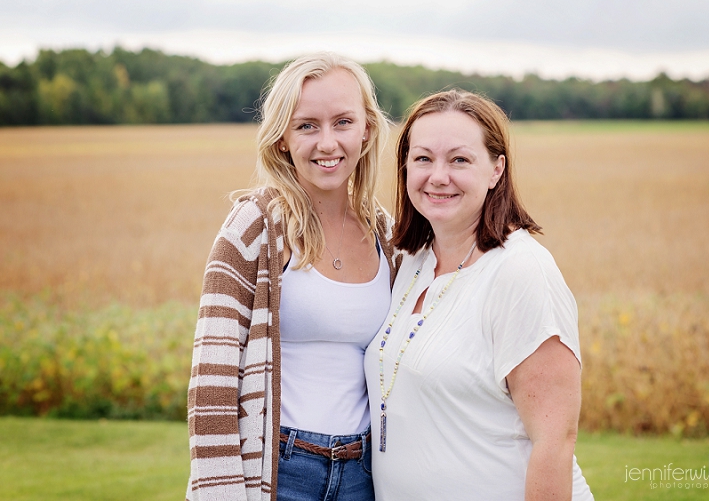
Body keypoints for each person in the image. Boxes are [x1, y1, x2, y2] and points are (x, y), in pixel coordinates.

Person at [187, 52, 400, 501]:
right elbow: (212, 380)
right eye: (307, 125)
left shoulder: (387, 235)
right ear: (283, 138)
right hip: (277, 469)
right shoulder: (255, 226)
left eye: (343, 122)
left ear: (367, 129)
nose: (328, 143)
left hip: (364, 473)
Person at [365, 89, 594, 500]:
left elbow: (554, 441)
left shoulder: (520, 271)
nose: (438, 176)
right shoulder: (411, 262)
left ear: (496, 170)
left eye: (459, 159)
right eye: (422, 158)